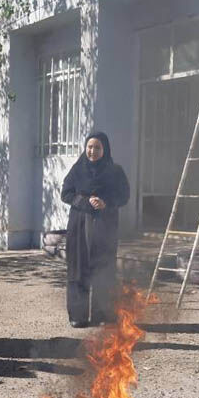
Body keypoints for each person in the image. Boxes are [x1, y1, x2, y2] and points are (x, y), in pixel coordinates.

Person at [61, 132, 130, 327]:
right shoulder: (77, 170)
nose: (92, 151)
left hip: (105, 225)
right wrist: (84, 201)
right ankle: (78, 315)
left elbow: (124, 195)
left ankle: (104, 314)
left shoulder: (115, 171)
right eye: (90, 147)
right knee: (78, 268)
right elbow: (65, 193)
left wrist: (106, 202)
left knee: (104, 268)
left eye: (97, 148)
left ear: (105, 150)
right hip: (79, 225)